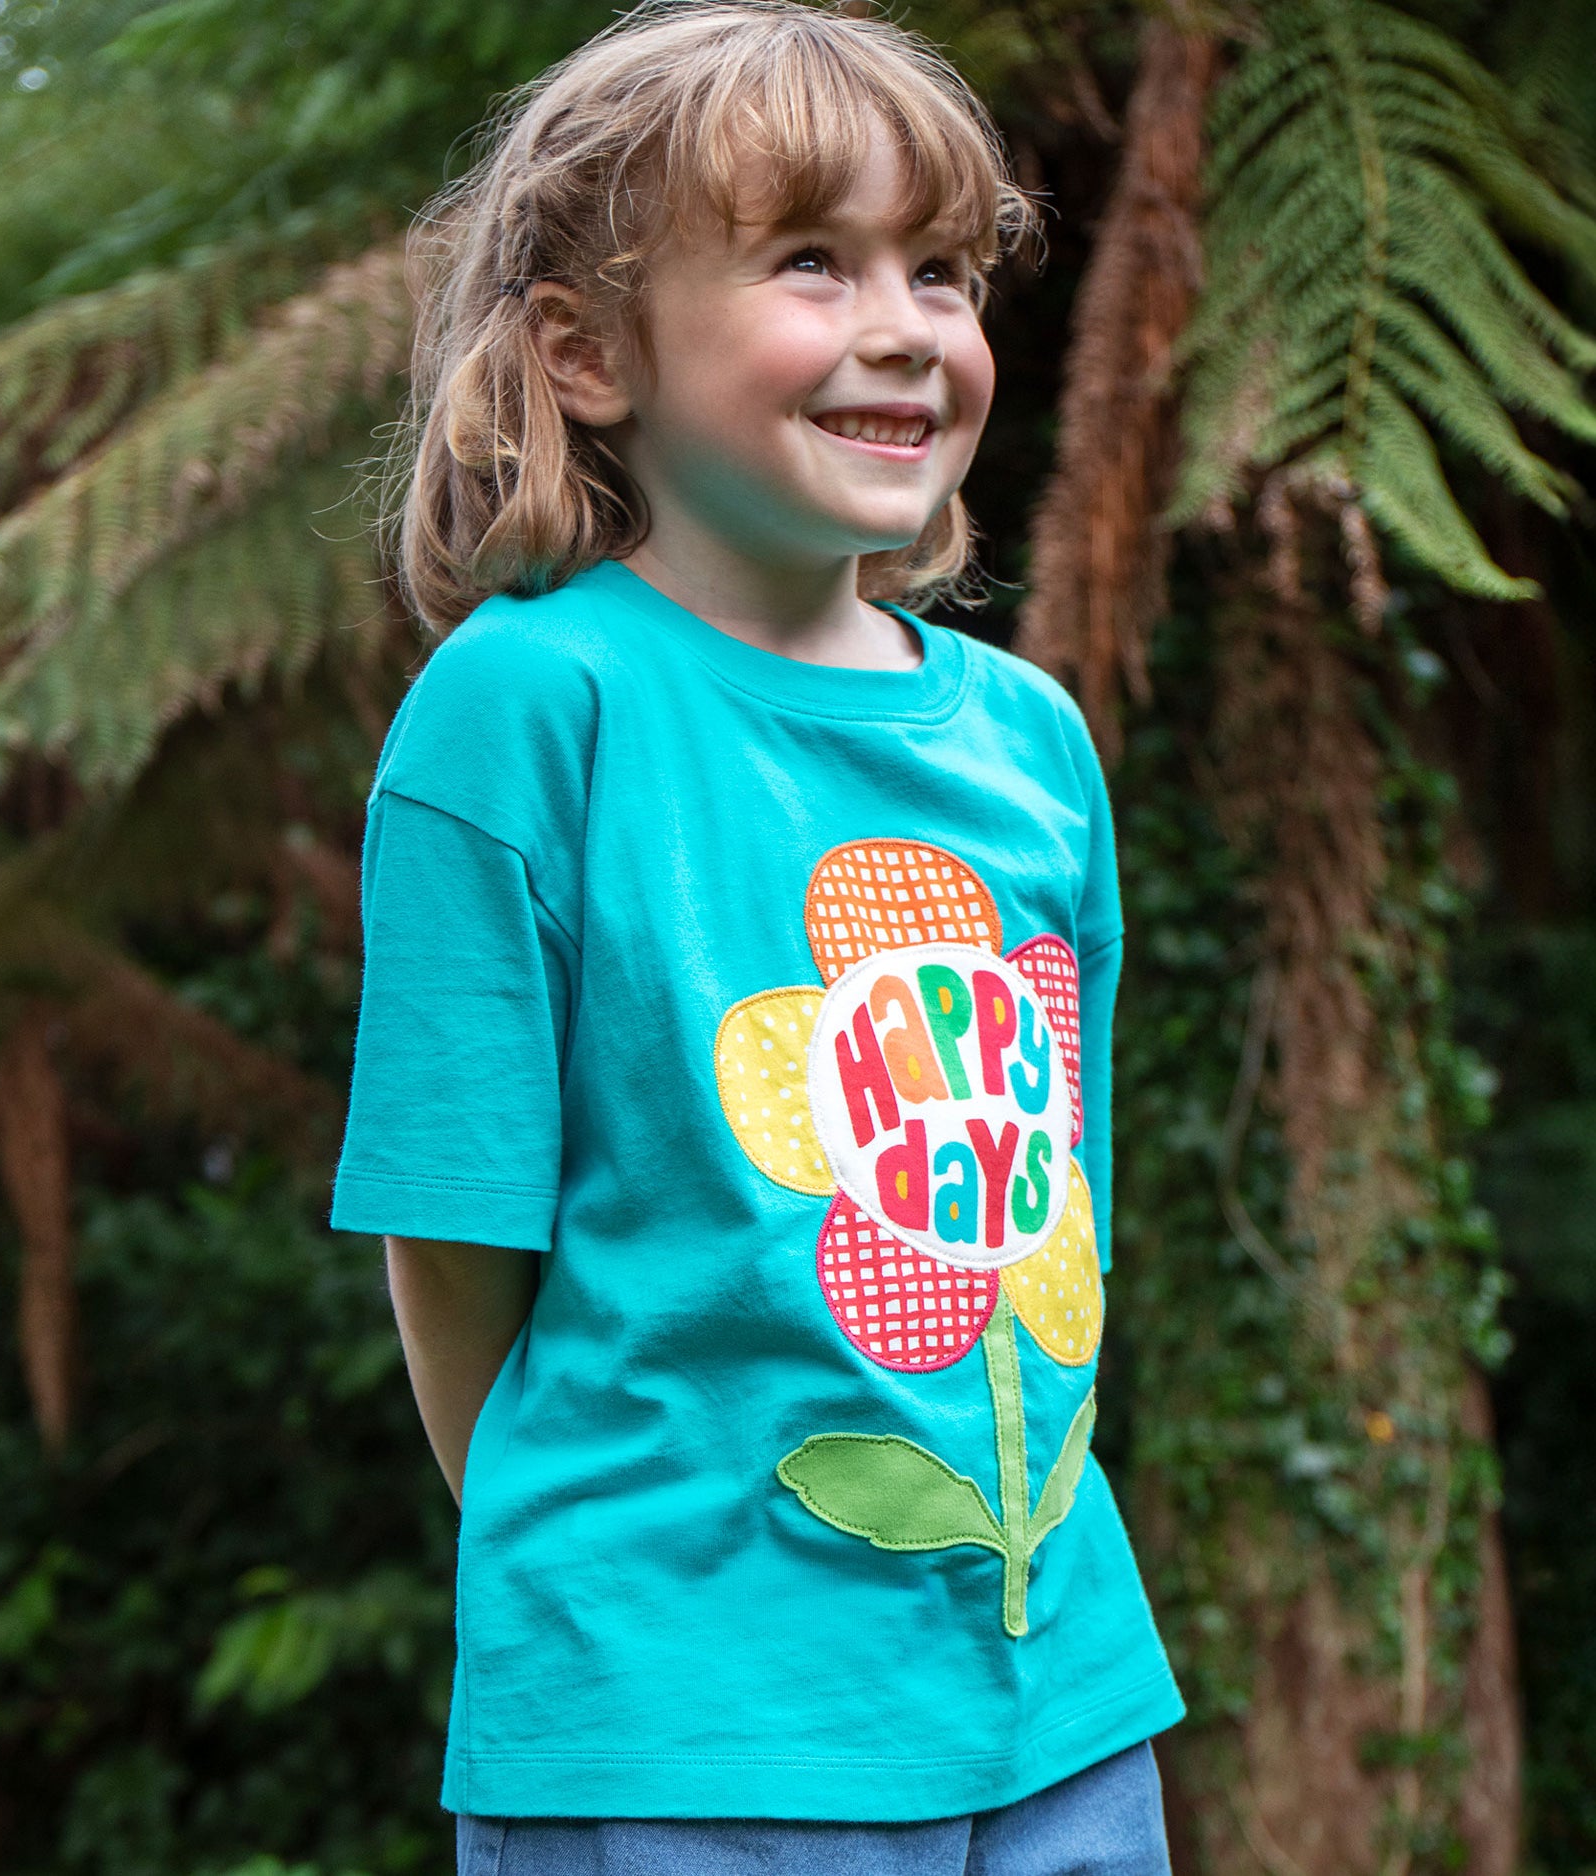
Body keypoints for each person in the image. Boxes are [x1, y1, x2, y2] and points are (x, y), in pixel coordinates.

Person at [331, 2, 1185, 1869]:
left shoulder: (1030, 740)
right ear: (582, 351)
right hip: (681, 1733)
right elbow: (455, 1250)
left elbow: (1057, 1230)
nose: (903, 325)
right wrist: (625, 1600)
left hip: (1058, 1703)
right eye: (813, 258)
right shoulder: (529, 709)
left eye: (941, 269)